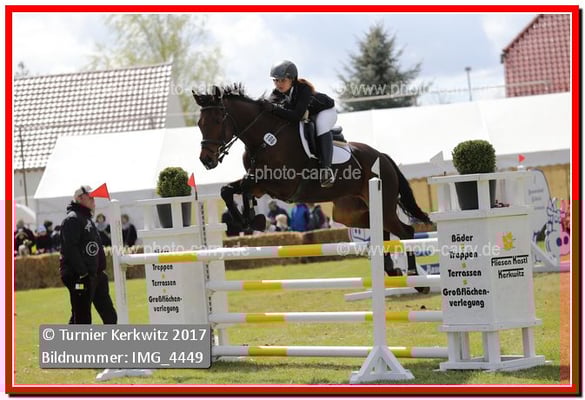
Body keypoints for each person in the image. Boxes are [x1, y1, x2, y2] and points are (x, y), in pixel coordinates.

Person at [263, 60, 337, 188]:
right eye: (275, 80)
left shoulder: (303, 89)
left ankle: (326, 170)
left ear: (292, 79)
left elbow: (296, 116)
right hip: (307, 115)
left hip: (325, 111)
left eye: (282, 80)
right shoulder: (276, 93)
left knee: (321, 126)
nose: (278, 84)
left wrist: (274, 109)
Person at [60, 185, 117, 325]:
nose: (94, 200)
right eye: (90, 197)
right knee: (82, 320)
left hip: (96, 275)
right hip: (81, 277)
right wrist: (83, 274)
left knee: (110, 317)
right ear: (79, 198)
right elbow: (70, 249)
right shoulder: (72, 219)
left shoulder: (86, 218)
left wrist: (99, 271)